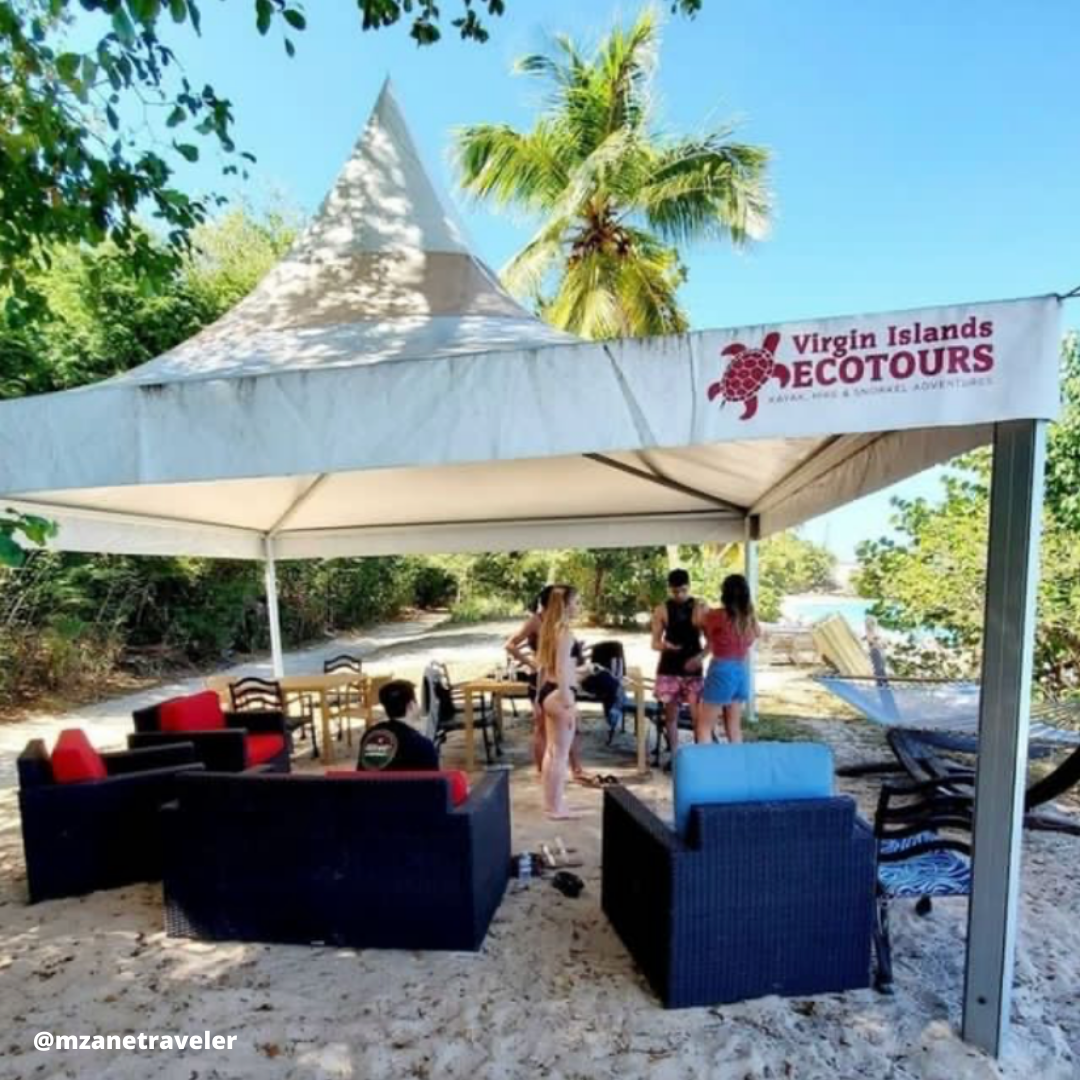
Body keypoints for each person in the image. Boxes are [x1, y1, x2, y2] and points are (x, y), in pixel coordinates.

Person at [505, 585, 594, 781]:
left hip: (559, 680)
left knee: (568, 728)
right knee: (543, 728)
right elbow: (510, 644)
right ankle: (542, 773)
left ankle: (575, 768)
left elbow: (562, 659)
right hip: (545, 680)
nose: (576, 607)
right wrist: (530, 662)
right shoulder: (537, 621)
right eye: (573, 603)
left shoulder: (560, 625)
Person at [651, 568, 707, 767]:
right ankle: (675, 755)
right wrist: (666, 645)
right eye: (675, 592)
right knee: (671, 715)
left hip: (693, 669)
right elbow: (654, 643)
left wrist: (700, 657)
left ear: (689, 587)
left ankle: (700, 756)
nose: (680, 595)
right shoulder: (661, 609)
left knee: (698, 716)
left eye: (683, 590)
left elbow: (711, 642)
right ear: (670, 589)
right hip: (669, 669)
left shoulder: (700, 607)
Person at [697, 574, 760, 745]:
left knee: (704, 726)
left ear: (724, 593)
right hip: (741, 671)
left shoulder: (716, 616)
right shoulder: (749, 618)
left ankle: (706, 770)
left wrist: (701, 606)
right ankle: (738, 767)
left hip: (722, 670)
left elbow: (698, 621)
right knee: (734, 727)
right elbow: (757, 634)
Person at [536, 585, 582, 819]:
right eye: (575, 602)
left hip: (549, 691)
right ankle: (555, 807)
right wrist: (568, 703)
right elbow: (563, 670)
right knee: (560, 754)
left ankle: (551, 804)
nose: (578, 606)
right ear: (564, 605)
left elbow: (552, 667)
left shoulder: (550, 629)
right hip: (559, 693)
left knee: (553, 753)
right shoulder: (563, 632)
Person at [356, 678, 439, 771]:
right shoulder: (423, 745)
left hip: (368, 785)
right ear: (411, 705)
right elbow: (435, 783)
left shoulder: (370, 735)